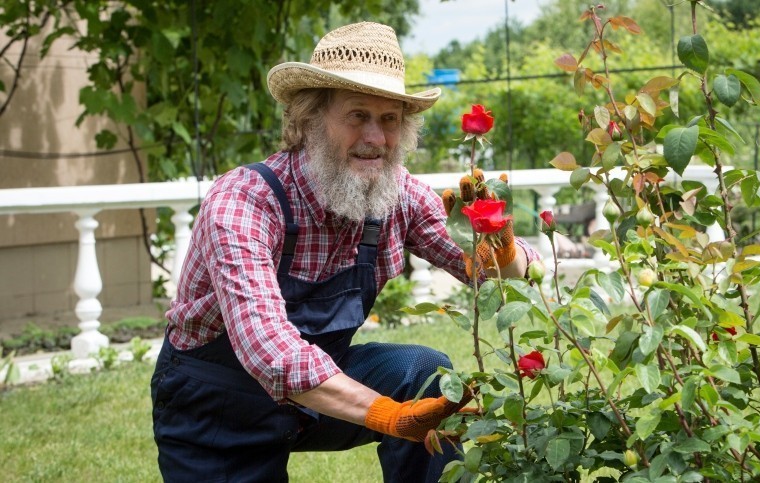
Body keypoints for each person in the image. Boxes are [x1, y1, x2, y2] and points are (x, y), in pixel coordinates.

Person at [150, 21, 540, 482]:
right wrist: (390, 417)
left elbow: (502, 276)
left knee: (423, 373)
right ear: (310, 120)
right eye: (357, 115)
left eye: (389, 119)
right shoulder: (244, 201)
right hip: (217, 404)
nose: (375, 137)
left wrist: (502, 247)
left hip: (320, 392)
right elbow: (269, 350)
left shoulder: (399, 196)